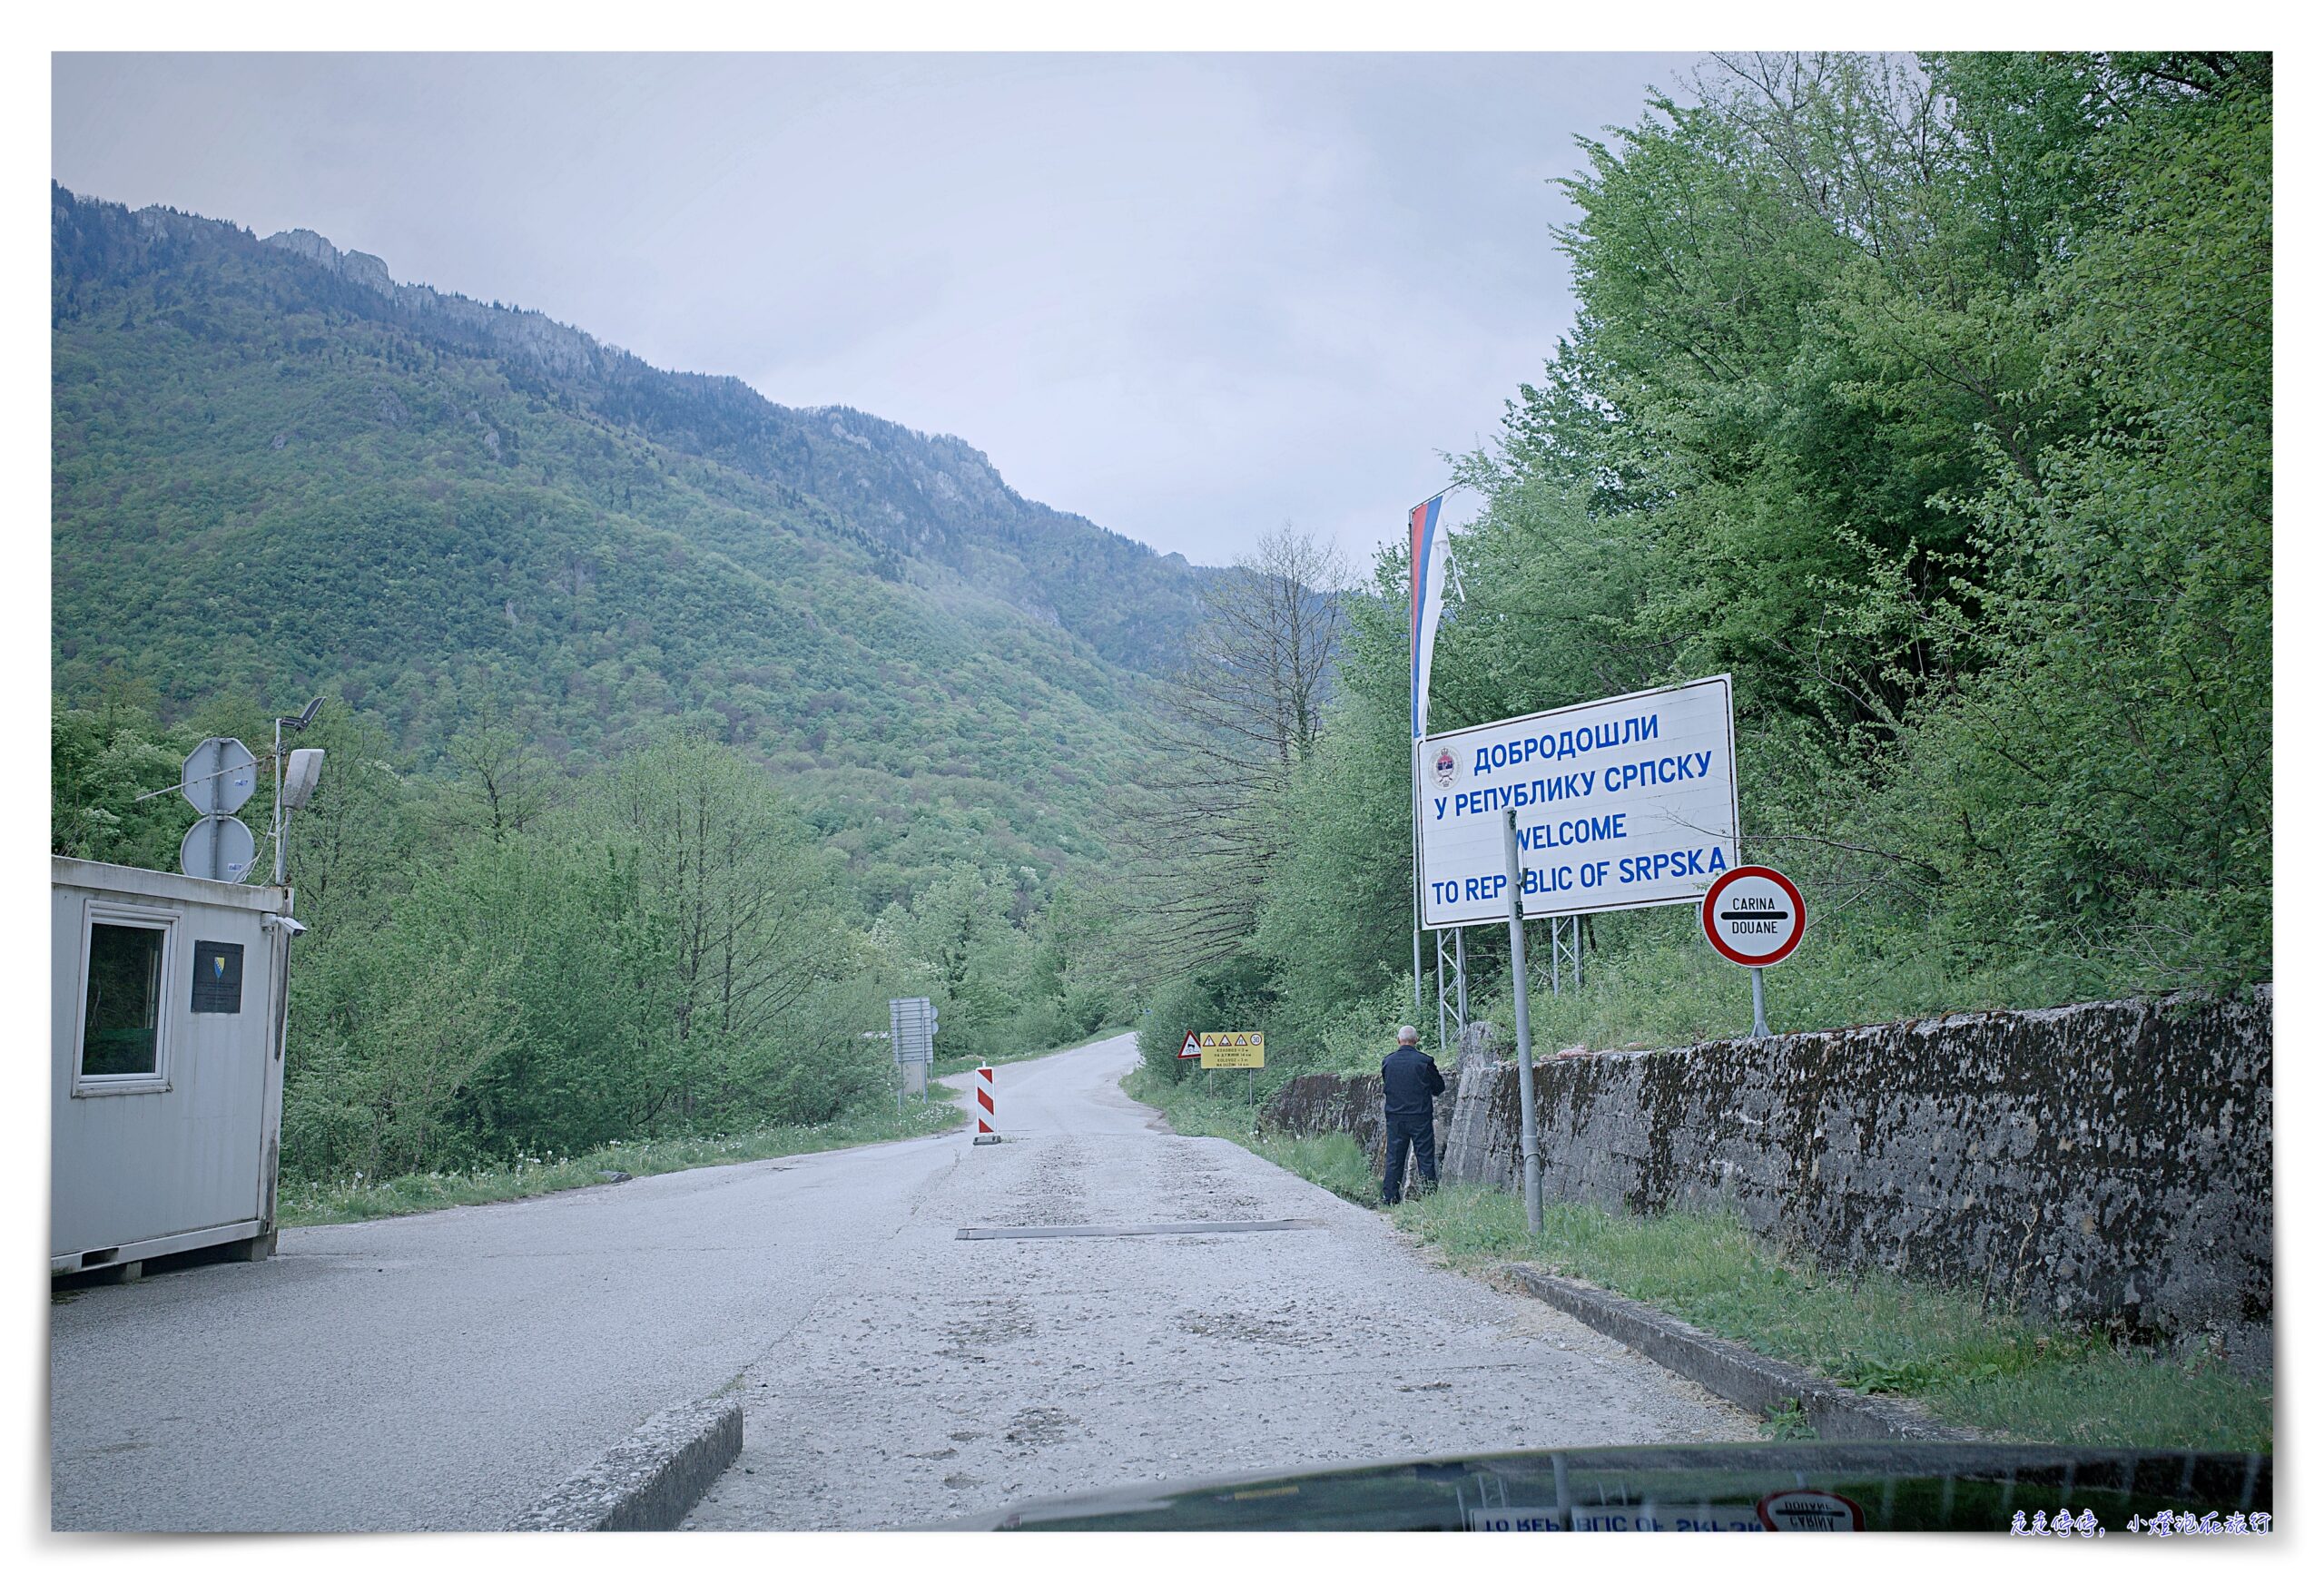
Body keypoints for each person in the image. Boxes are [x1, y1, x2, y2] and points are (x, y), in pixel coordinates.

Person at [1380, 1025, 1445, 1205]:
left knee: (1394, 1158)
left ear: (1398, 1040)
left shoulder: (1388, 1062)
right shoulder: (1424, 1062)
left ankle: (1390, 1199)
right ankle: (1429, 1198)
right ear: (1416, 1040)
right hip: (1420, 1117)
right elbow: (1439, 1087)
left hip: (1395, 1117)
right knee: (1425, 1157)